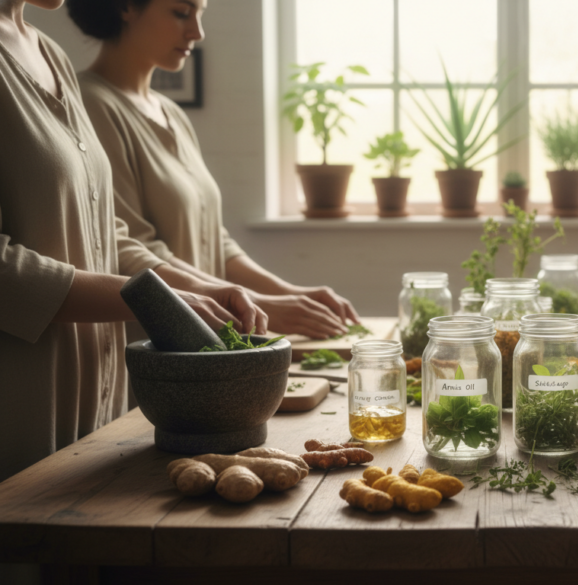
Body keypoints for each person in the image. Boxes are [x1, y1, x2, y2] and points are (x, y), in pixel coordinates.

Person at [0, 0, 266, 483]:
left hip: (102, 405)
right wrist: (152, 301)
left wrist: (191, 294)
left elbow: (107, 233)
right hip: (23, 405)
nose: (197, 31)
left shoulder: (50, 53)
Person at [67, 0, 359, 340]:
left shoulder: (171, 113)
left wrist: (287, 293)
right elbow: (130, 247)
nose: (197, 32)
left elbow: (213, 239)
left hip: (205, 346)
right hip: (153, 350)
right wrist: (256, 302)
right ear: (126, 7)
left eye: (200, 15)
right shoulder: (90, 104)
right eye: (181, 12)